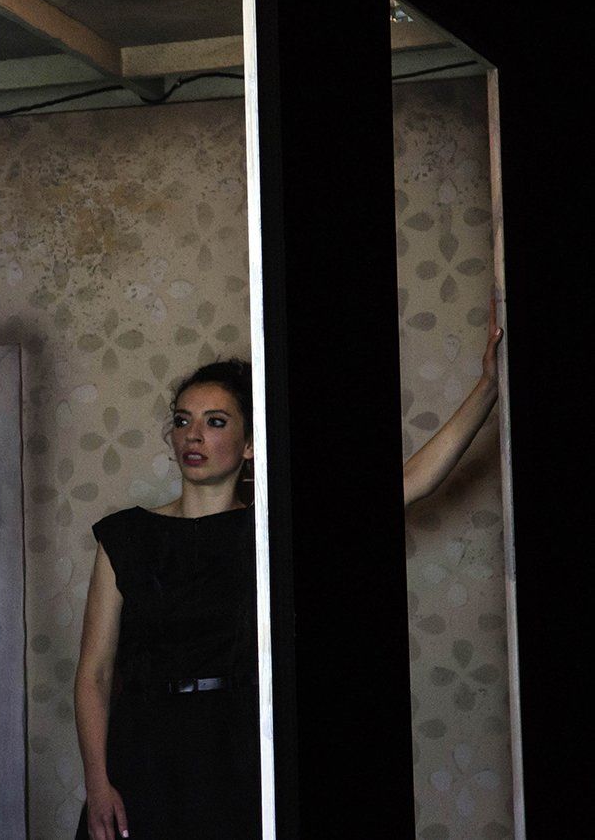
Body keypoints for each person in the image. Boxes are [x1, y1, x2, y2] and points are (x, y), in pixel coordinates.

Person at [73, 312, 503, 840]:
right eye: (183, 421)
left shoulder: (273, 530)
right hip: (143, 755)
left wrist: (488, 387)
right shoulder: (124, 536)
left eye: (216, 421)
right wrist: (97, 782)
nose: (193, 435)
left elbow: (410, 481)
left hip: (239, 753)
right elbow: (94, 673)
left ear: (250, 444)